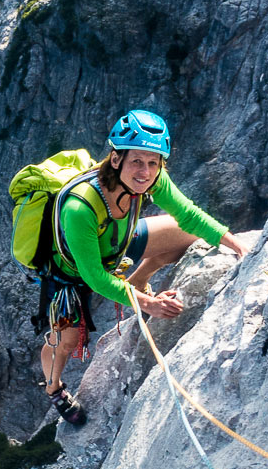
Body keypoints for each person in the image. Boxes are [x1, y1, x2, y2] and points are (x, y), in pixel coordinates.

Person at [36, 109, 247, 424]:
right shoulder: (80, 207)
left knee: (185, 234)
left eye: (153, 162)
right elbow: (95, 277)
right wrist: (150, 304)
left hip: (116, 241)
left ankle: (138, 278)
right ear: (117, 159)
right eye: (137, 161)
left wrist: (238, 246)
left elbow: (188, 214)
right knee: (64, 342)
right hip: (69, 273)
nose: (145, 172)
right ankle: (54, 388)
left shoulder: (152, 179)